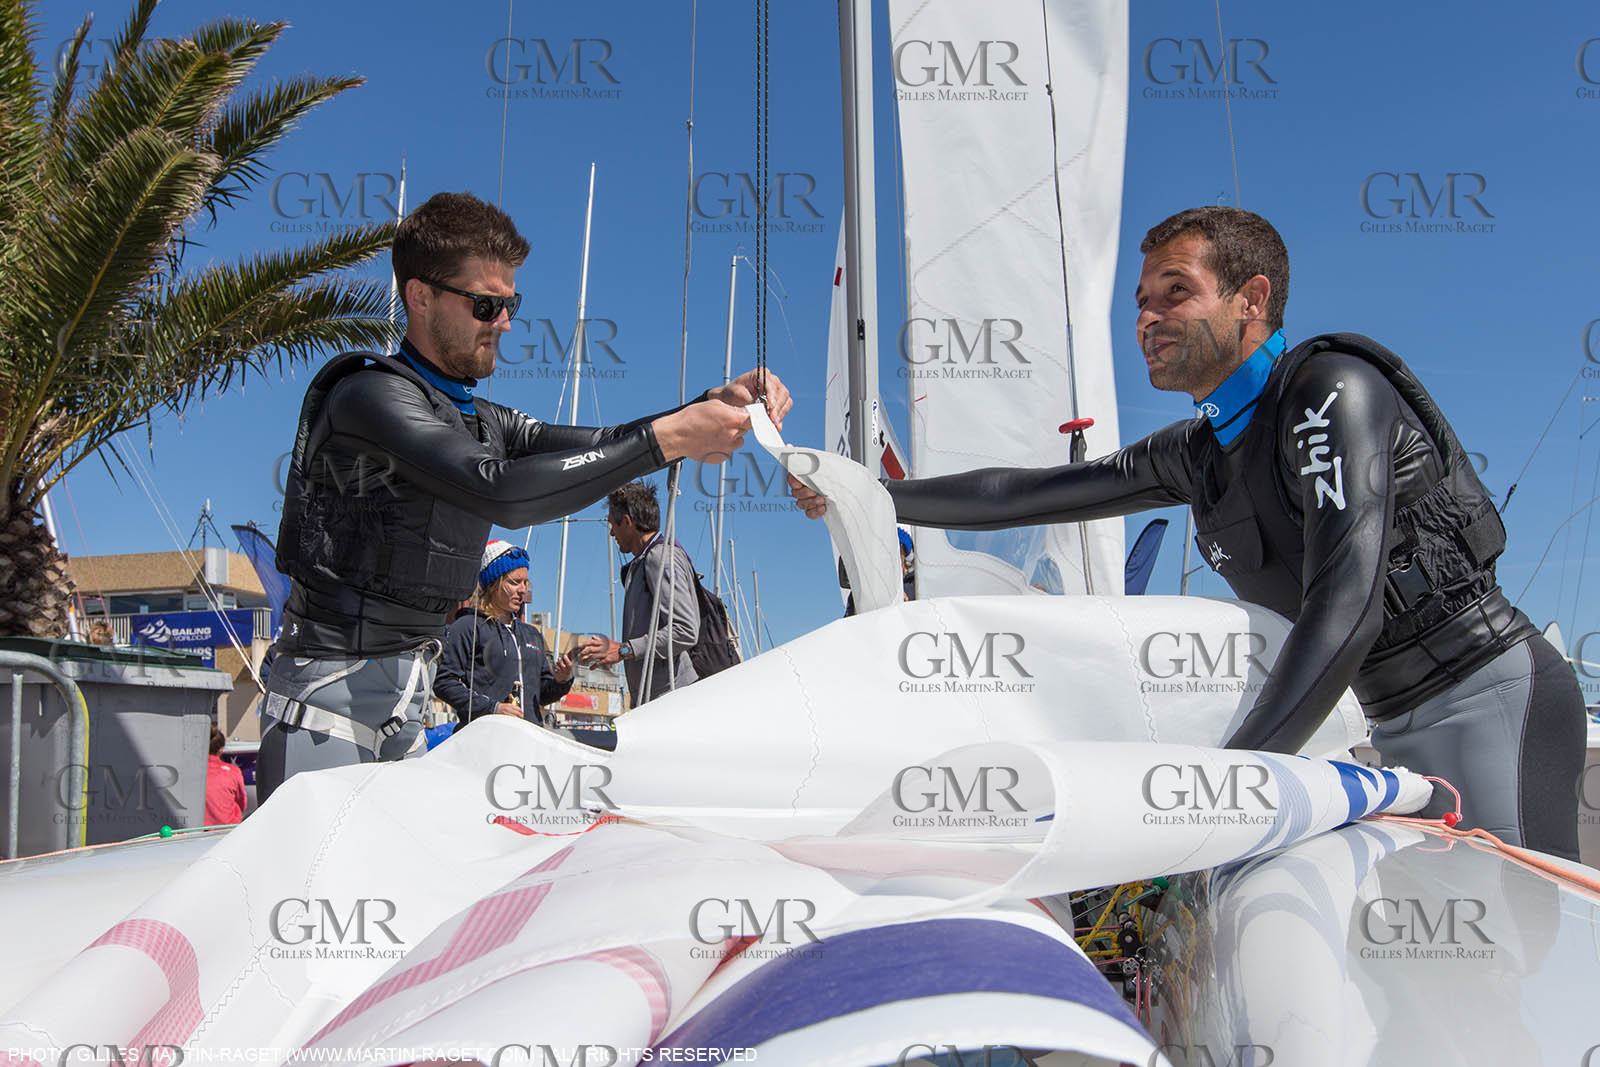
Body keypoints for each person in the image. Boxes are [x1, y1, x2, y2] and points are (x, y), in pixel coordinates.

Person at [791, 205, 1585, 859]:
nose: (1146, 318)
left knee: (1513, 955)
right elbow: (1027, 493)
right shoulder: (1199, 450)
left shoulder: (1328, 391)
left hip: (1489, 695)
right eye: (1141, 301)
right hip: (1389, 718)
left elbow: (1347, 606)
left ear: (1251, 299)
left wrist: (1226, 788)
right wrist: (872, 495)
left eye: (1175, 292)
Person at [259, 191, 792, 801]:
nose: (506, 323)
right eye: (486, 305)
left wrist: (709, 403)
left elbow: (605, 442)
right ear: (420, 297)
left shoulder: (482, 420)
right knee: (316, 868)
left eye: (511, 304)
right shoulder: (370, 397)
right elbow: (501, 493)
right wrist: (670, 439)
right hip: (327, 699)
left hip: (406, 704)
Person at [576, 481, 699, 705]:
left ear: (627, 522)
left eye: (612, 524)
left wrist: (624, 650)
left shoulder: (659, 558)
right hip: (655, 698)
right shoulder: (645, 561)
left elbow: (685, 630)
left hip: (671, 698)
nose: (611, 532)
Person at [435, 540, 574, 726]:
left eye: (525, 582)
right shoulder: (467, 627)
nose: (523, 590)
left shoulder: (532, 635)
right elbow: (444, 683)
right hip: (485, 736)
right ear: (494, 583)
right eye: (514, 582)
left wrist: (562, 680)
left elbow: (541, 696)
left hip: (528, 737)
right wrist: (492, 708)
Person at [843, 526, 916, 616]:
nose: (886, 555)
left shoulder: (917, 584)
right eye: (880, 550)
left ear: (903, 554)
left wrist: (908, 606)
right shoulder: (861, 592)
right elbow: (849, 622)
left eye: (893, 548)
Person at [204, 725, 247, 826]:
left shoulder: (189, 772)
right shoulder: (233, 772)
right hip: (228, 829)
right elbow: (243, 804)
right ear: (221, 749)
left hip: (197, 830)